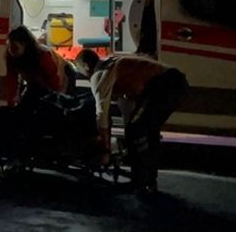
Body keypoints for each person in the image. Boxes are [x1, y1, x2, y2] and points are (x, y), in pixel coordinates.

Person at [76, 50, 188, 194]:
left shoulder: (100, 75)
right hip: (176, 82)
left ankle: (139, 182)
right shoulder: (113, 63)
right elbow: (127, 108)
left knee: (135, 130)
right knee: (148, 130)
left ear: (86, 66)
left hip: (163, 86)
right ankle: (149, 180)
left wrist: (105, 149)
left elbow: (102, 114)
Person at [3, 25, 68, 106]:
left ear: (25, 44)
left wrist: (56, 98)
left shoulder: (42, 55)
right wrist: (11, 103)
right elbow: (11, 81)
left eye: (15, 47)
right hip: (38, 82)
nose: (11, 51)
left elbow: (54, 79)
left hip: (63, 75)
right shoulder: (11, 57)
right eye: (9, 47)